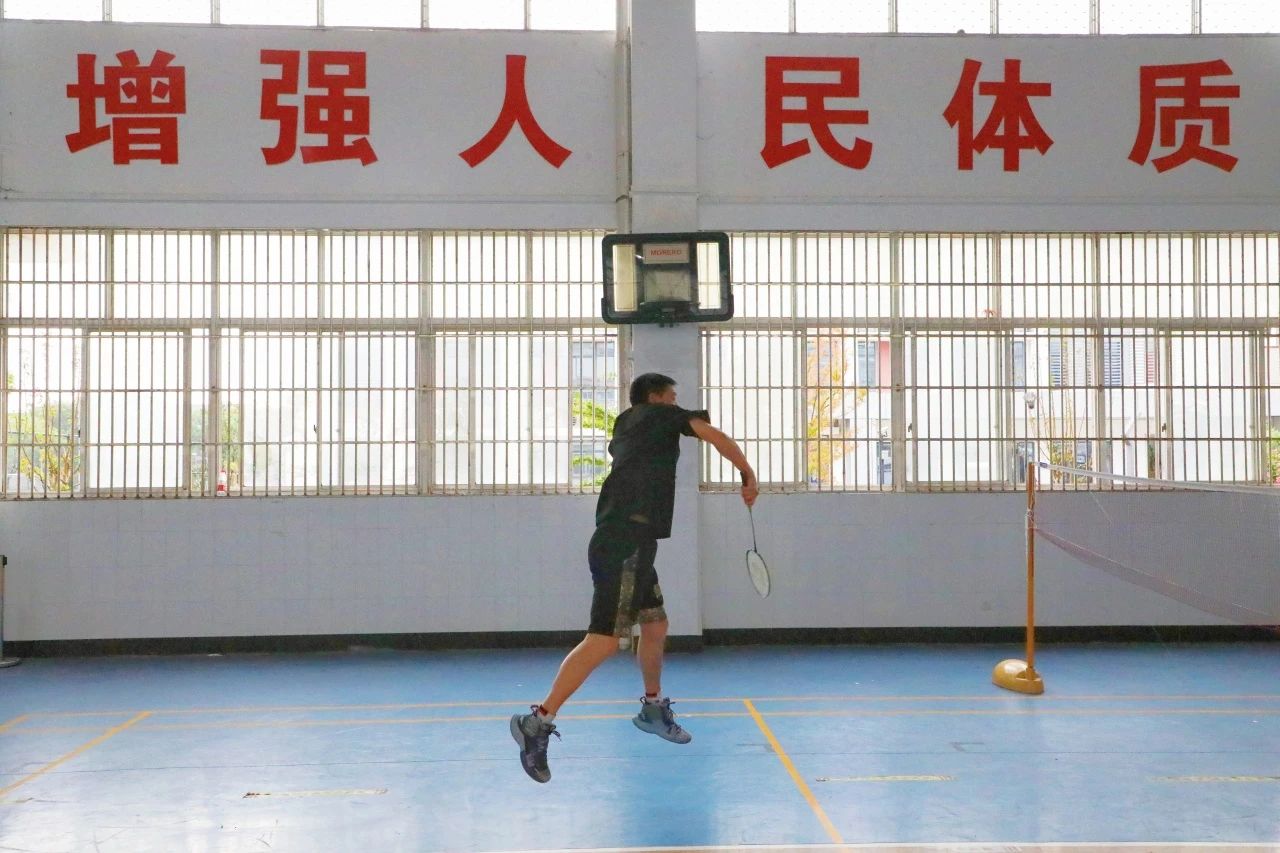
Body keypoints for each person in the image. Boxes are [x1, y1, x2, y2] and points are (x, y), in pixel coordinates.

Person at [510, 372, 759, 783]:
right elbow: (714, 435)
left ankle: (652, 707)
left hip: (634, 542)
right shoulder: (657, 415)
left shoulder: (627, 423)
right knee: (604, 640)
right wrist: (748, 474)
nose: (677, 404)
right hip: (623, 542)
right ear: (656, 398)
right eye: (672, 397)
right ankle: (536, 721)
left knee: (655, 624)